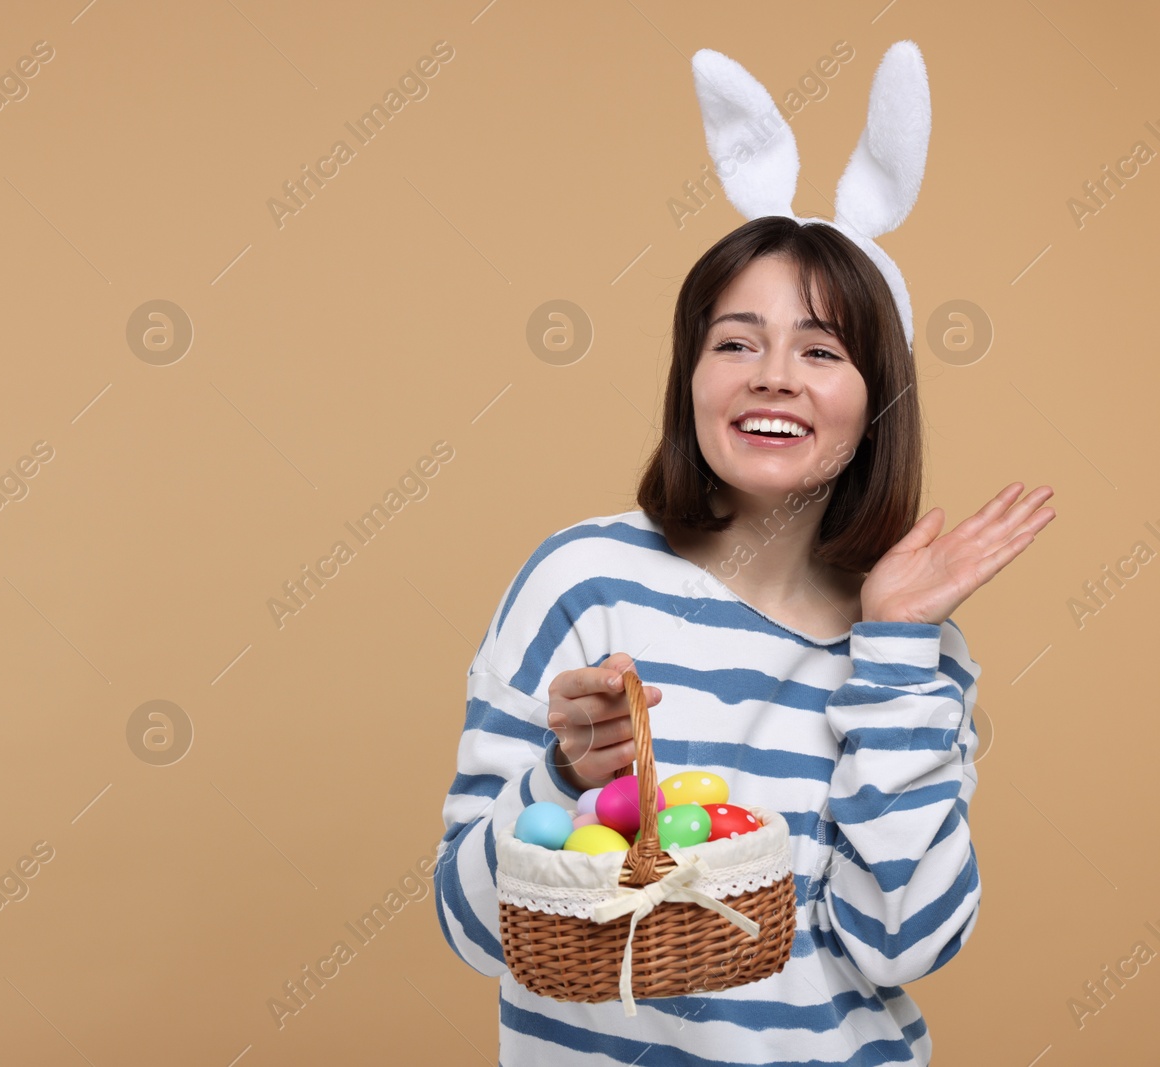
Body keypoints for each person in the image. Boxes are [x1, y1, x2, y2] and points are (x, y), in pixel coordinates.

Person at [432, 215, 1055, 1064]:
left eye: (822, 352)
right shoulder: (583, 581)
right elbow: (472, 929)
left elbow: (904, 943)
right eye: (735, 343)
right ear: (689, 379)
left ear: (877, 403)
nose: (774, 378)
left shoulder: (912, 650)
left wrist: (897, 648)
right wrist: (566, 772)